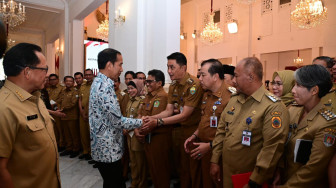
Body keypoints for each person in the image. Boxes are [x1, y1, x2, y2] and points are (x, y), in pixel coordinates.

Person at [210, 57, 289, 187]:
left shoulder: (273, 107)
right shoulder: (235, 99)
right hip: (227, 173)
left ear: (251, 77)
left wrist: (255, 181)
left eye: (236, 76)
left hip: (249, 178)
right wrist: (214, 160)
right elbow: (221, 131)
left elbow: (271, 149)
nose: (233, 81)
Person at [0, 43, 60, 188]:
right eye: (44, 69)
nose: (47, 75)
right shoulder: (4, 107)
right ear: (27, 72)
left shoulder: (35, 98)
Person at [141, 52, 204, 188]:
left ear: (183, 67)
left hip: (193, 131)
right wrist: (150, 118)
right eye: (168, 67)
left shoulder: (194, 85)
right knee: (181, 166)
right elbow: (168, 111)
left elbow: (185, 114)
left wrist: (157, 122)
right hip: (178, 131)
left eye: (172, 67)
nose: (169, 71)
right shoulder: (173, 86)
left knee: (193, 168)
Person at [273, 64, 336, 187]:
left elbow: (314, 168)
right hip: (284, 177)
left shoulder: (327, 122)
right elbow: (281, 144)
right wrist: (278, 171)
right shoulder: (292, 110)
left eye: (298, 85)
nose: (292, 90)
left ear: (314, 90)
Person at [89, 48, 143, 188]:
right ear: (109, 65)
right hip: (108, 150)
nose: (121, 69)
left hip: (104, 148)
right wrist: (142, 121)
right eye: (120, 64)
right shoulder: (104, 86)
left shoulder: (99, 82)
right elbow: (117, 121)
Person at [184, 59, 232, 188]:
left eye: (203, 75)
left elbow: (231, 132)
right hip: (203, 149)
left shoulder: (231, 97)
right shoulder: (207, 94)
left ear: (215, 76)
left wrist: (210, 146)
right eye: (199, 75)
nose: (199, 78)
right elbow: (204, 120)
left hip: (219, 152)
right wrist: (194, 136)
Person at [138, 69, 171, 187]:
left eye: (150, 81)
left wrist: (140, 131)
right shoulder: (148, 96)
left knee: (160, 170)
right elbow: (140, 114)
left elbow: (151, 119)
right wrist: (139, 132)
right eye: (147, 81)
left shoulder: (162, 97)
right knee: (153, 169)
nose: (147, 84)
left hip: (158, 138)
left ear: (159, 83)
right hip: (148, 137)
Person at [125, 79, 148, 188]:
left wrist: (129, 128)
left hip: (137, 134)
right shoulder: (130, 100)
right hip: (129, 135)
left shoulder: (142, 100)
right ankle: (135, 181)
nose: (130, 91)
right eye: (128, 88)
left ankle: (142, 183)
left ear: (138, 88)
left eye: (132, 88)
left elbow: (140, 118)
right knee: (133, 161)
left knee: (140, 162)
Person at [59, 76, 81, 158]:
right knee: (67, 134)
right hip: (63, 115)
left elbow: (73, 103)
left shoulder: (75, 91)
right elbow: (59, 100)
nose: (68, 82)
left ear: (73, 82)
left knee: (74, 134)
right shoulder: (63, 91)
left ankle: (76, 149)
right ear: (64, 82)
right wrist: (57, 107)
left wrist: (62, 108)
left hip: (72, 116)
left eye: (70, 81)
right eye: (67, 81)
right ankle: (69, 148)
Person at [78, 69, 94, 161]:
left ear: (92, 75)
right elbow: (80, 99)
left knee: (91, 135)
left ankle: (92, 153)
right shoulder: (83, 86)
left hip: (92, 114)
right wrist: (81, 112)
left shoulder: (95, 85)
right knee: (83, 134)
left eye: (89, 75)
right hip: (83, 113)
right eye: (86, 75)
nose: (88, 76)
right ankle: (85, 152)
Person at [47, 73, 65, 151]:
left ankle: (62, 145)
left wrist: (55, 106)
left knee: (60, 129)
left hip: (58, 110)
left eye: (54, 79)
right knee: (53, 129)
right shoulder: (47, 89)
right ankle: (56, 144)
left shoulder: (62, 88)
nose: (52, 81)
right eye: (51, 80)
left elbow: (62, 99)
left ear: (57, 80)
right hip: (50, 112)